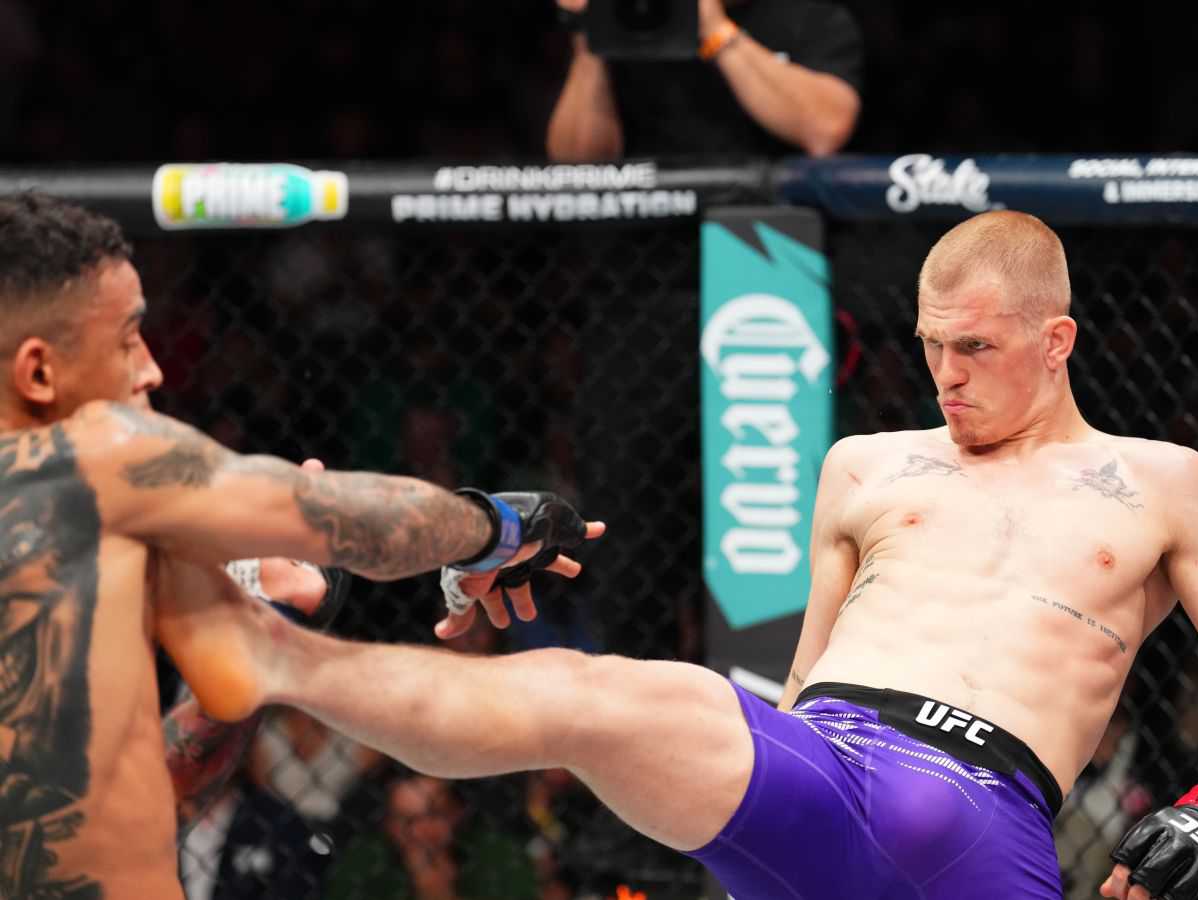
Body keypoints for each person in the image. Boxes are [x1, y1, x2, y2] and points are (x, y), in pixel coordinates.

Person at [161, 209, 1198, 900]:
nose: (947, 375)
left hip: (983, 814)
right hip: (826, 767)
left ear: (1058, 339)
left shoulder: (1162, 482)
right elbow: (806, 684)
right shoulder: (868, 465)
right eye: (932, 346)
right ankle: (269, 652)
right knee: (596, 694)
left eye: (976, 348)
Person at [0, 191, 597, 900]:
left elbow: (155, 794)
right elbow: (350, 517)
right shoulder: (92, 459)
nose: (152, 369)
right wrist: (497, 527)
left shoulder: (81, 549)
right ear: (39, 372)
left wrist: (269, 618)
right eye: (127, 338)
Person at [545, 0, 863, 161]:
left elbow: (825, 129)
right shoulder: (635, 17)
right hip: (651, 241)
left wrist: (716, 30)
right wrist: (592, 32)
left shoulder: (811, 18)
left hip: (776, 236)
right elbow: (576, 163)